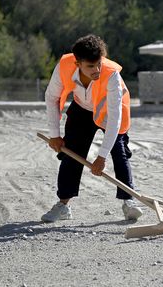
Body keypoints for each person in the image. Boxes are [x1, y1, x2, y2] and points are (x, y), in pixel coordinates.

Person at [41, 34, 143, 222]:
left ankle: (129, 201)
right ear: (77, 63)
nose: (97, 70)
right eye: (90, 66)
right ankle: (63, 205)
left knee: (118, 153)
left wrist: (102, 156)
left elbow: (114, 120)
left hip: (109, 111)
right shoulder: (64, 66)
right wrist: (54, 135)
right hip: (82, 108)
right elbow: (51, 97)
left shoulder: (111, 75)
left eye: (99, 64)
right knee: (71, 152)